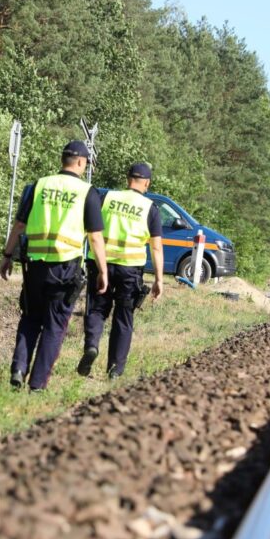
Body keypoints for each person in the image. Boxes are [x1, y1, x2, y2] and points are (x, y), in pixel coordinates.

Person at [0, 141, 108, 391]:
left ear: (63, 160)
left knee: (30, 318)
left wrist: (7, 255)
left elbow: (19, 225)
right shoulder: (86, 192)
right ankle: (37, 385)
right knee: (54, 326)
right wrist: (102, 271)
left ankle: (18, 368)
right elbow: (95, 237)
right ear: (81, 162)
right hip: (65, 269)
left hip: (35, 266)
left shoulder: (39, 185)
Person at [78, 162, 164, 379]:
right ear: (147, 183)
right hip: (130, 271)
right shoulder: (150, 208)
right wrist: (159, 280)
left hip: (101, 265)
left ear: (127, 179)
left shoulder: (106, 198)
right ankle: (115, 370)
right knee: (123, 318)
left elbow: (90, 227)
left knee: (96, 309)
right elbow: (156, 247)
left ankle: (92, 345)